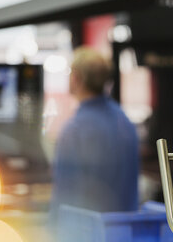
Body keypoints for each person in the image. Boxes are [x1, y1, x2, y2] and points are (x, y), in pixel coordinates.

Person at [51, 46, 139, 213]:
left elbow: (63, 197)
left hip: (87, 234)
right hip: (124, 233)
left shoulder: (74, 130)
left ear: (76, 78)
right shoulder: (125, 121)